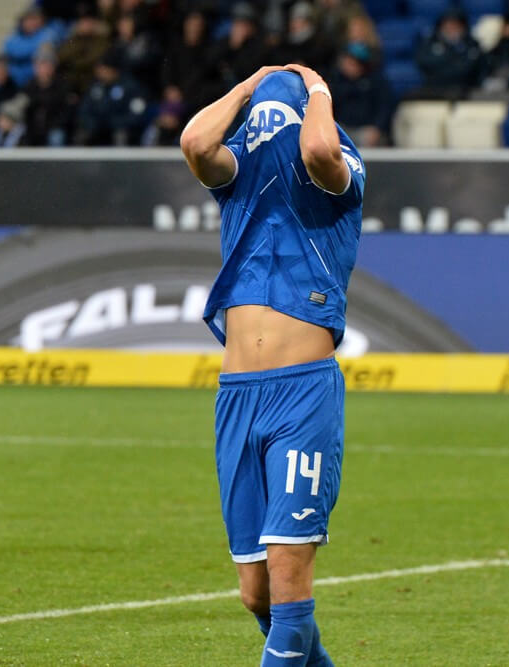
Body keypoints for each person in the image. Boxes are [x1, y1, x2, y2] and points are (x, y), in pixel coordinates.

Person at [180, 64, 365, 665]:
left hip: (301, 397)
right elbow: (194, 142)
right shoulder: (238, 177)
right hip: (236, 394)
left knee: (289, 599)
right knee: (255, 595)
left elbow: (316, 148)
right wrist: (246, 85)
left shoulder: (342, 167)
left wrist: (315, 88)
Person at [413, 7, 486, 99]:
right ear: (441, 26)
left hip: (466, 93)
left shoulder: (472, 45)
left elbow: (473, 68)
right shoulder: (429, 43)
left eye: (456, 25)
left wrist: (446, 62)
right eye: (448, 25)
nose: (451, 29)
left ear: (463, 27)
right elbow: (424, 63)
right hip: (433, 93)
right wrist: (454, 60)